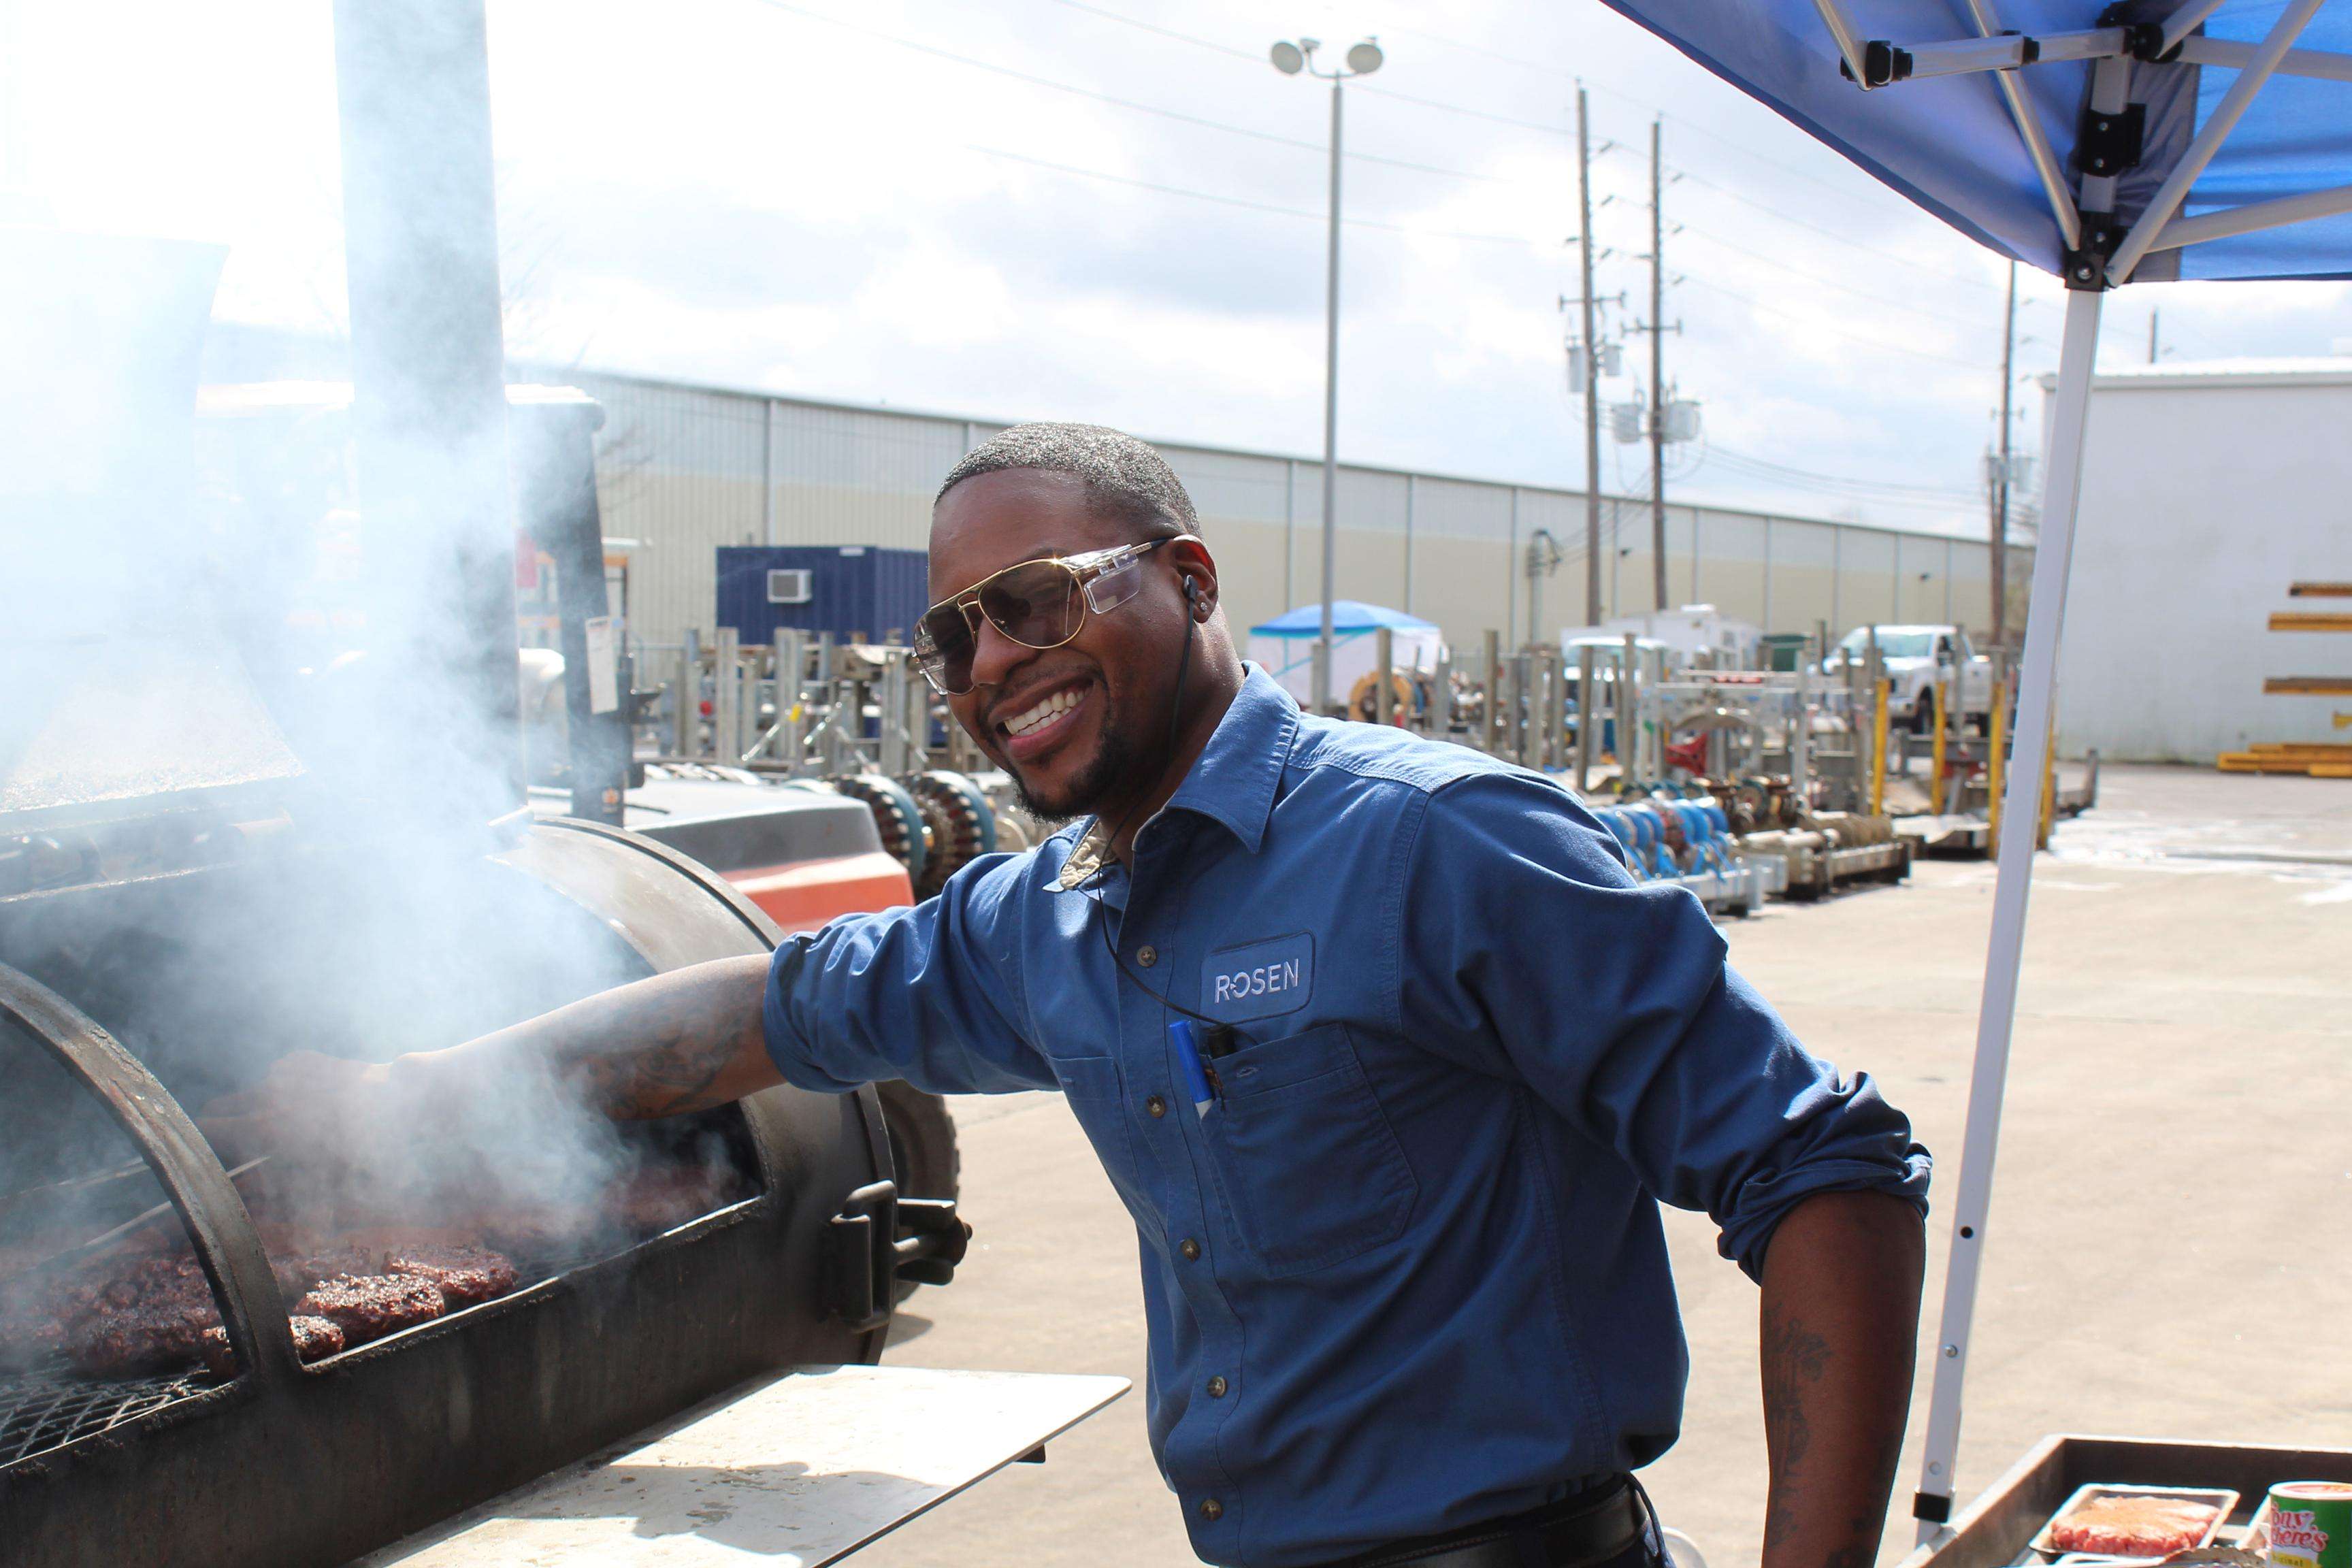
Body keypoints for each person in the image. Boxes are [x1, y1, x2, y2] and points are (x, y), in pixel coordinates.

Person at [231, 423, 1929, 1568]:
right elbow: (757, 1018)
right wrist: (416, 1094)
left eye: (1033, 602)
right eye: (949, 640)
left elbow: (1826, 1172)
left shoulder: (1435, 843)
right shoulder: (1048, 918)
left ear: (1186, 581)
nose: (988, 668)